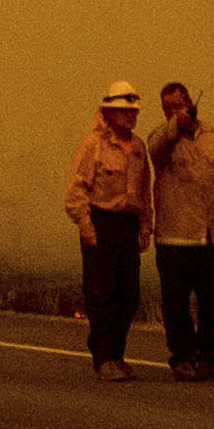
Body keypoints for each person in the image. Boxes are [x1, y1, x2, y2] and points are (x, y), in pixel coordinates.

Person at [145, 80, 214, 381]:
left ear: (190, 102)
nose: (175, 111)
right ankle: (182, 357)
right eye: (168, 107)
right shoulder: (161, 140)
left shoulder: (213, 138)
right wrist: (176, 125)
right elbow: (156, 146)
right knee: (176, 303)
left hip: (212, 238)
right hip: (175, 237)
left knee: (212, 301)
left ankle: (209, 357)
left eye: (179, 104)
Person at [61, 81, 151, 381]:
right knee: (102, 295)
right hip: (100, 222)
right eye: (124, 111)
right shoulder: (93, 146)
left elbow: (144, 190)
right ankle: (103, 358)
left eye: (134, 111)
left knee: (129, 294)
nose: (130, 116)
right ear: (109, 112)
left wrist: (144, 226)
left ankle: (118, 354)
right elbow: (76, 189)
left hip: (127, 224)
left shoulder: (138, 148)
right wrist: (85, 225)